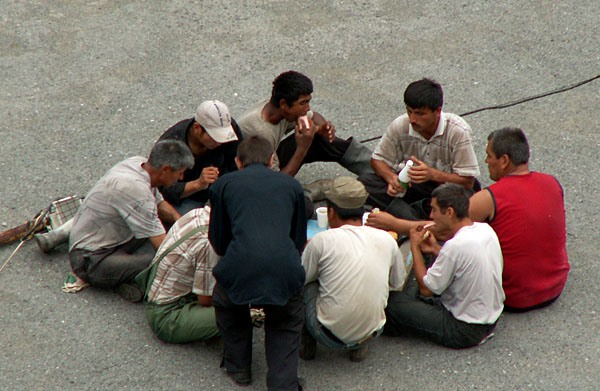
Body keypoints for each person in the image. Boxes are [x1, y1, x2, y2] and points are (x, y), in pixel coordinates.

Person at [208, 135, 306, 390]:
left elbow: (218, 240)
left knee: (227, 302)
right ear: (272, 160)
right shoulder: (291, 186)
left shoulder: (223, 185)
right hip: (284, 266)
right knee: (286, 321)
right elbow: (297, 240)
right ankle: (282, 383)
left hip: (239, 264)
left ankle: (239, 367)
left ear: (238, 162)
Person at [66, 140, 193, 300]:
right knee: (160, 262)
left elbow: (159, 204)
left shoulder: (138, 164)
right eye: (180, 173)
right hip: (91, 260)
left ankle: (127, 276)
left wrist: (182, 222)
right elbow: (164, 249)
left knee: (174, 219)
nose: (181, 177)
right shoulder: (136, 192)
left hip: (115, 236)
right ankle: (131, 281)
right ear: (165, 169)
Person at [384, 184, 504, 348]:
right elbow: (462, 261)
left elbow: (427, 290)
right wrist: (434, 249)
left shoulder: (455, 246)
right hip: (490, 317)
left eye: (434, 210)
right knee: (421, 280)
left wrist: (414, 246)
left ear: (449, 212)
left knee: (393, 304)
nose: (431, 215)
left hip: (464, 329)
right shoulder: (485, 230)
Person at [300, 177, 406, 362]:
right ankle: (359, 345)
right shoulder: (386, 239)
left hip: (326, 334)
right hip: (374, 331)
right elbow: (397, 283)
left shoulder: (322, 241)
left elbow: (301, 279)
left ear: (331, 212)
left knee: (306, 284)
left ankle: (307, 345)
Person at [469, 127, 570, 311]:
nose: (486, 161)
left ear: (504, 161)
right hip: (555, 287)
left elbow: (449, 226)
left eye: (489, 156)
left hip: (514, 297)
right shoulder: (552, 183)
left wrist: (400, 225)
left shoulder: (488, 198)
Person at [358, 78, 479, 220]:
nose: (412, 119)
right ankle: (418, 218)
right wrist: (392, 179)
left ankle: (407, 219)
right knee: (365, 183)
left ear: (437, 111)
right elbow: (378, 160)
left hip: (448, 189)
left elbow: (467, 181)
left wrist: (432, 175)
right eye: (409, 112)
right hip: (413, 185)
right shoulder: (400, 125)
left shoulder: (458, 131)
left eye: (420, 114)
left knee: (462, 203)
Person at [237, 70, 373, 180]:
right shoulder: (261, 132)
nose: (307, 108)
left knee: (318, 138)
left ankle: (376, 166)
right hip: (254, 174)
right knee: (308, 141)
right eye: (303, 103)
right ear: (284, 104)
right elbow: (276, 182)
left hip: (271, 156)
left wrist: (322, 128)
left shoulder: (277, 108)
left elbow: (314, 116)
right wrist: (303, 148)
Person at [140, 205, 219, 343]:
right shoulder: (209, 243)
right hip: (168, 316)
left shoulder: (197, 213)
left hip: (156, 292)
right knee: (237, 315)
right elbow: (206, 300)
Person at [158, 100, 242, 214]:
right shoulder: (171, 147)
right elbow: (164, 190)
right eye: (214, 137)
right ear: (197, 128)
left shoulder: (229, 129)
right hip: (189, 197)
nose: (220, 142)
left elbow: (237, 160)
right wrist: (198, 184)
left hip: (223, 184)